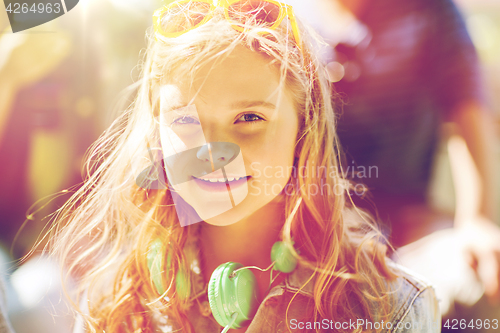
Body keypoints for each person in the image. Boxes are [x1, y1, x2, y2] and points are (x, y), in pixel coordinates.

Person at [50, 1, 440, 332]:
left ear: (304, 130)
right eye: (185, 122)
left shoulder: (386, 309)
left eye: (250, 118)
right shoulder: (116, 305)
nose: (212, 152)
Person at [322, 0, 500, 329]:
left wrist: (477, 220)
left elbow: (468, 111)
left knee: (483, 280)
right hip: (321, 231)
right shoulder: (287, 18)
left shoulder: (430, 10)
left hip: (411, 230)